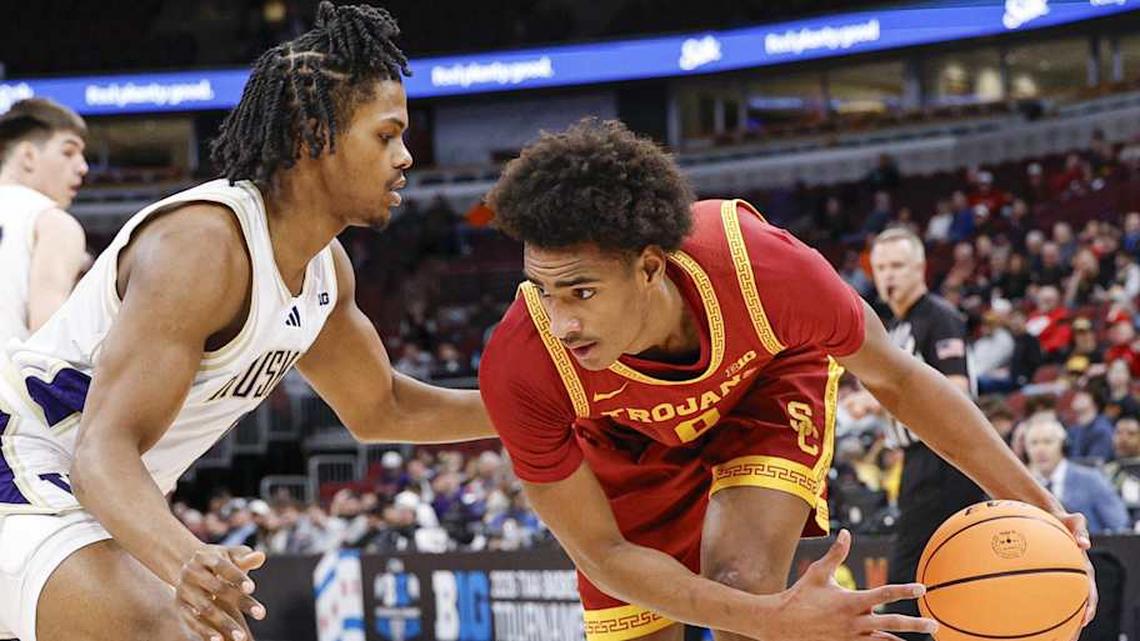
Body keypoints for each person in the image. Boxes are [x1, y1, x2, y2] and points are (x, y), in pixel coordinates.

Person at [477, 119, 1095, 641]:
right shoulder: (523, 361)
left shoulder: (761, 265)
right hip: (624, 441)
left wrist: (1045, 508)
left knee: (739, 586)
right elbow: (603, 555)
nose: (561, 321)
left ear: (648, 267)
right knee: (717, 619)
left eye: (581, 291)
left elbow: (900, 381)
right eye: (544, 291)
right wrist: (781, 620)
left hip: (761, 390)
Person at [0, 5, 495, 641]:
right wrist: (186, 560)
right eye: (386, 134)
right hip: (28, 462)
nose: (405, 157)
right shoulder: (204, 245)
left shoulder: (325, 269)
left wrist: (538, 410)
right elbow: (100, 453)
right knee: (169, 629)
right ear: (313, 133)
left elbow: (383, 408)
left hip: (96, 493)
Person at [868, 227, 988, 639]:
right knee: (938, 577)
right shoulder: (896, 326)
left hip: (945, 460)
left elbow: (957, 393)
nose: (888, 276)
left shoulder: (938, 317)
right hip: (919, 460)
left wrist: (892, 402)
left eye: (898, 266)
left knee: (909, 578)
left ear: (920, 268)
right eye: (881, 267)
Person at [0, 98, 89, 344]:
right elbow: (47, 342)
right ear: (28, 155)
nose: (83, 167)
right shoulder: (51, 222)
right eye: (68, 152)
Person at [1024, 417, 1130, 534]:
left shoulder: (1091, 479)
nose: (1040, 449)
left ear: (1063, 445)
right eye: (1034, 443)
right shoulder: (1024, 486)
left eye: (1048, 442)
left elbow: (1119, 524)